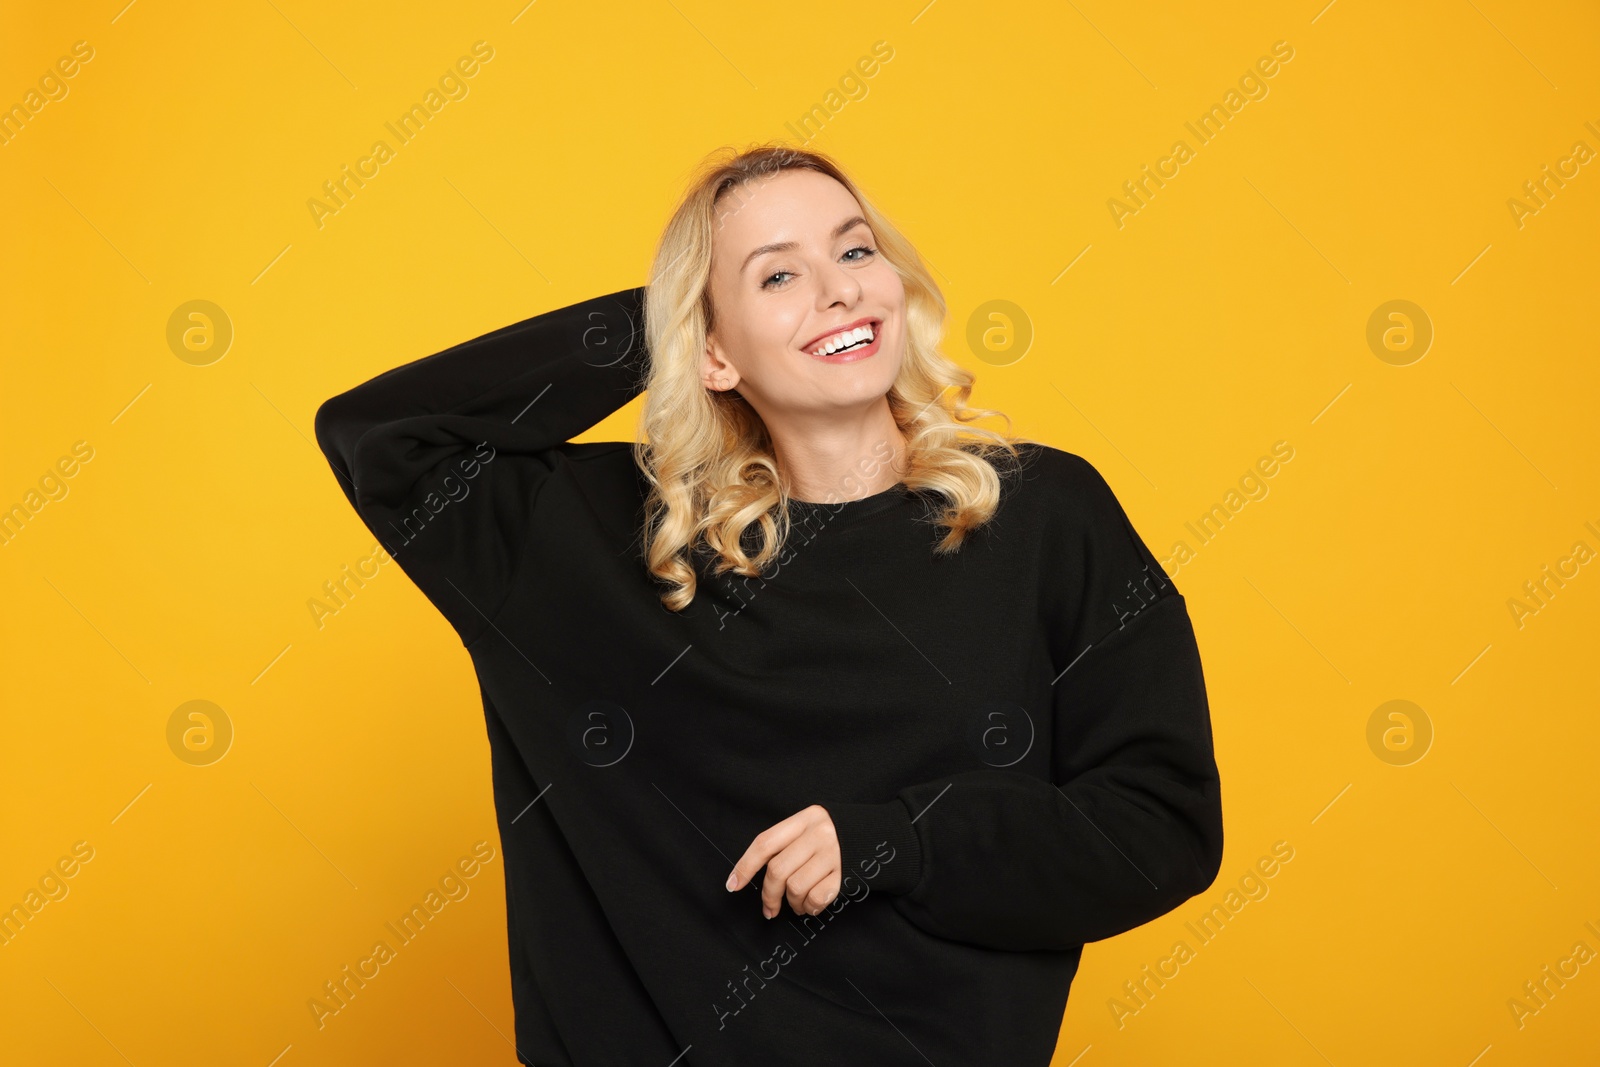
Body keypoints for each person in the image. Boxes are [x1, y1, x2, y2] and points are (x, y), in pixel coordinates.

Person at [313, 143, 1224, 1066]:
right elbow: (383, 438)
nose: (838, 292)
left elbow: (1161, 825)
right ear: (710, 350)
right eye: (779, 274)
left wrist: (900, 840)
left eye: (857, 252)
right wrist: (669, 318)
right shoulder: (602, 546)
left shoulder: (1043, 517)